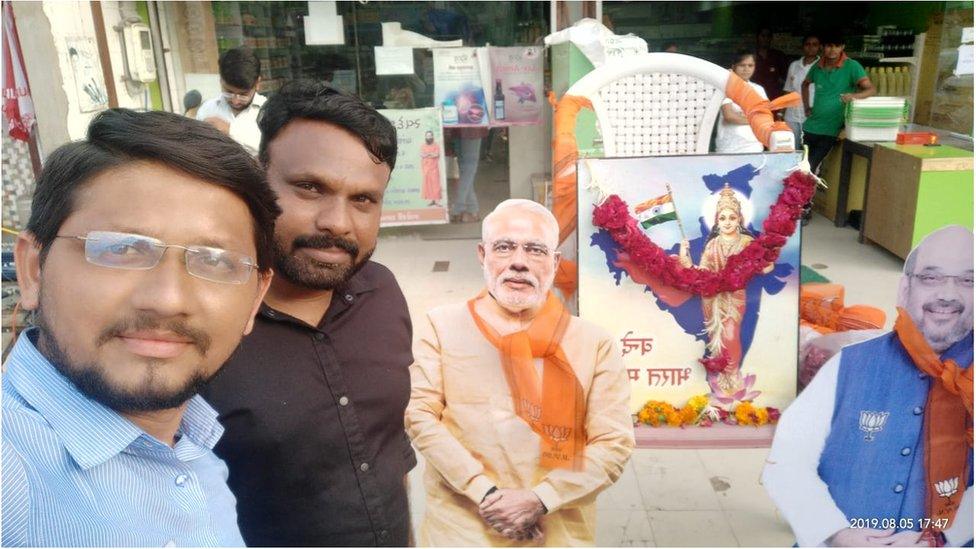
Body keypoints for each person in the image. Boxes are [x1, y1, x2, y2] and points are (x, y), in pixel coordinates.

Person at [2, 108, 278, 546]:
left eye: (214, 260)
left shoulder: (197, 454)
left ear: (255, 300)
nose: (168, 300)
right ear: (34, 269)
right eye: (121, 249)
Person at [200, 81, 416, 547]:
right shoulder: (201, 323)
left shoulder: (383, 293)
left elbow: (390, 447)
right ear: (259, 182)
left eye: (363, 199)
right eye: (310, 188)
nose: (337, 222)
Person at [406, 199, 635, 546]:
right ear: (482, 255)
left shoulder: (594, 343)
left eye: (535, 250)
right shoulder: (441, 326)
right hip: (462, 529)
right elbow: (420, 418)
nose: (518, 262)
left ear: (555, 263)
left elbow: (614, 444)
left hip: (556, 528)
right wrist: (485, 493)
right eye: (504, 247)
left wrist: (540, 499)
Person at [763, 225, 973, 547]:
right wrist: (836, 533)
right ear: (905, 289)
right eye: (931, 278)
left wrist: (943, 536)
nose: (947, 294)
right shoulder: (847, 366)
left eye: (967, 280)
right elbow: (787, 459)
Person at [679, 185, 773, 398]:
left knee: (730, 335)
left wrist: (760, 262)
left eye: (732, 217)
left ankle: (733, 376)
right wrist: (685, 258)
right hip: (712, 298)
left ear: (740, 219)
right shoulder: (712, 244)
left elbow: (767, 267)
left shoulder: (747, 242)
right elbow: (702, 272)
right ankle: (722, 376)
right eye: (723, 218)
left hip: (734, 296)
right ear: (716, 221)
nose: (728, 222)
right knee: (717, 338)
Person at [801, 32, 876, 177]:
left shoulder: (852, 66)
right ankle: (800, 199)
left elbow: (871, 89)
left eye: (837, 46)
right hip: (810, 127)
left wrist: (854, 96)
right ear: (823, 47)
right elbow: (805, 85)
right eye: (829, 46)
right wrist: (806, 107)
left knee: (808, 168)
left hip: (831, 130)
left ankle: (801, 199)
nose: (833, 50)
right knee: (800, 167)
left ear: (842, 47)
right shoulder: (817, 66)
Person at [197, 47, 267, 155]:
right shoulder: (207, 109)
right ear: (220, 80)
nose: (235, 101)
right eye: (228, 92)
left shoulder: (269, 110)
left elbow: (273, 150)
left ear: (257, 83)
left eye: (243, 95)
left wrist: (230, 130)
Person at [716, 51, 768, 154]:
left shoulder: (758, 89)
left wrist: (741, 117)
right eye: (742, 65)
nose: (746, 69)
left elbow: (765, 117)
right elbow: (729, 116)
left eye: (750, 65)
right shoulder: (726, 88)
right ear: (734, 66)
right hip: (729, 147)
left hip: (754, 146)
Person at [783, 35, 821, 148]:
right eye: (808, 44)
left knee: (809, 149)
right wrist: (781, 112)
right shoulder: (794, 65)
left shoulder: (822, 66)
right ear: (803, 47)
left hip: (811, 114)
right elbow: (788, 90)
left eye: (815, 45)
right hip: (791, 114)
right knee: (791, 148)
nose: (811, 47)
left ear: (819, 47)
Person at [448, 126, 487, 223]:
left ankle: (471, 209)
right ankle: (461, 208)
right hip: (473, 125)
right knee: (469, 167)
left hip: (455, 125)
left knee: (465, 169)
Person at [754, 27, 790, 99]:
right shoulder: (751, 57)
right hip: (755, 98)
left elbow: (787, 80)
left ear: (771, 38)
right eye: (763, 36)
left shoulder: (778, 56)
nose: (765, 39)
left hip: (775, 98)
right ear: (758, 37)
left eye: (768, 36)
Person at [420, 130, 443, 207]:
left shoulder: (436, 145)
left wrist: (428, 154)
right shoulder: (423, 146)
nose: (429, 137)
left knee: (436, 185)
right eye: (427, 136)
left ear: (432, 137)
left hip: (434, 168)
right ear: (425, 137)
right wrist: (430, 154)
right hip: (426, 169)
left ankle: (437, 201)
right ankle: (432, 201)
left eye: (430, 136)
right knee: (429, 186)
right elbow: (422, 155)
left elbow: (436, 154)